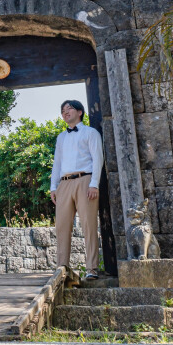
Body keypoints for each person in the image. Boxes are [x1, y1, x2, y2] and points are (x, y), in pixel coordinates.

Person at [50, 99, 104, 280]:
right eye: (62, 110)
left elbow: (98, 159)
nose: (65, 112)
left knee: (89, 225)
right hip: (64, 183)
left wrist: (94, 183)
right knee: (62, 226)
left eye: (69, 109)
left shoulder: (91, 133)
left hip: (85, 180)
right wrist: (53, 186)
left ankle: (91, 269)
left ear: (80, 112)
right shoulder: (61, 137)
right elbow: (57, 163)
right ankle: (62, 267)